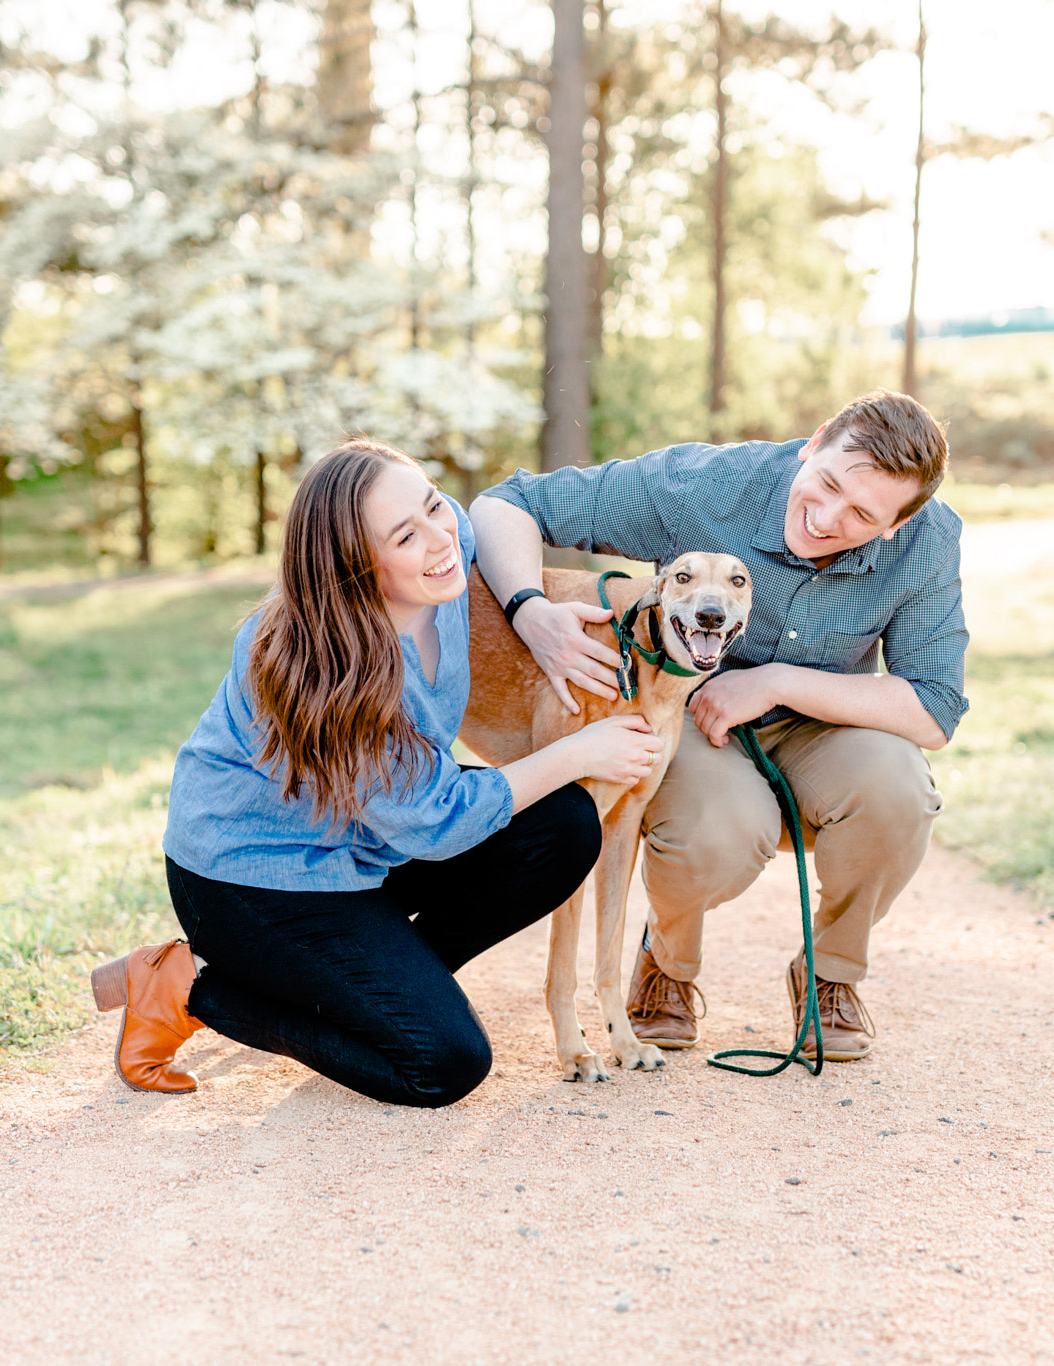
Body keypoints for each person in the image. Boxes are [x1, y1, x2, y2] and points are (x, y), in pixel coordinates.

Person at [93, 440, 666, 1107]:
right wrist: (579, 752)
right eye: (406, 535)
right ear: (357, 567)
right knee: (441, 1061)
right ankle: (185, 988)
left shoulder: (439, 558)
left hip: (367, 845)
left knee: (563, 829)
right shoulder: (322, 667)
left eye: (431, 504)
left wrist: (530, 609)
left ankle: (363, 1000)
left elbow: (498, 510)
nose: (440, 537)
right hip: (255, 879)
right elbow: (435, 819)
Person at [470, 390, 966, 1062]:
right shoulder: (702, 486)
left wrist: (774, 681)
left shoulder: (930, 541)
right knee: (713, 830)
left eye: (860, 515)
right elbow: (507, 503)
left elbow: (934, 708)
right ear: (814, 442)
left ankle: (832, 977)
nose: (824, 517)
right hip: (698, 724)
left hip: (827, 727)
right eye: (824, 484)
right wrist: (528, 609)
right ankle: (666, 966)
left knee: (899, 789)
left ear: (894, 526)